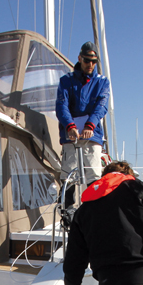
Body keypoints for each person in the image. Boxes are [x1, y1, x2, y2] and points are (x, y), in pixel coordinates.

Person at [55, 41, 111, 204]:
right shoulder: (66, 81)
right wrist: (70, 126)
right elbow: (61, 105)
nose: (90, 64)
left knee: (93, 174)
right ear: (80, 58)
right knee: (68, 175)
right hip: (71, 134)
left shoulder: (102, 82)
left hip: (92, 134)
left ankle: (95, 212)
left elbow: (102, 105)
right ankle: (67, 213)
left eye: (94, 62)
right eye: (87, 61)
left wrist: (90, 125)